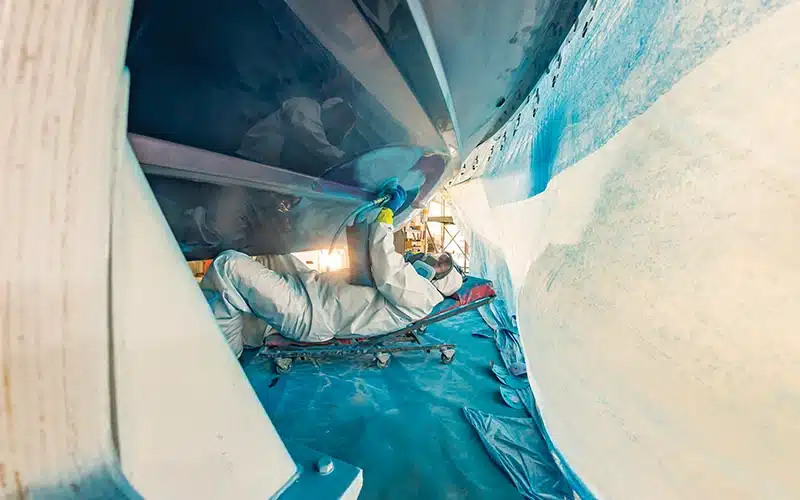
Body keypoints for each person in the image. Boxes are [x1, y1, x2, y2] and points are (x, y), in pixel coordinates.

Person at [200, 187, 464, 358]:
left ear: (439, 283)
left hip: (312, 313)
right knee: (271, 251)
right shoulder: (410, 281)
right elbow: (373, 259)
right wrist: (371, 218)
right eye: (440, 256)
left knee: (229, 266)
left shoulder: (424, 297)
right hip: (313, 289)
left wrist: (386, 218)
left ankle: (225, 360)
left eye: (440, 264)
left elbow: (386, 269)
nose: (432, 257)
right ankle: (228, 322)